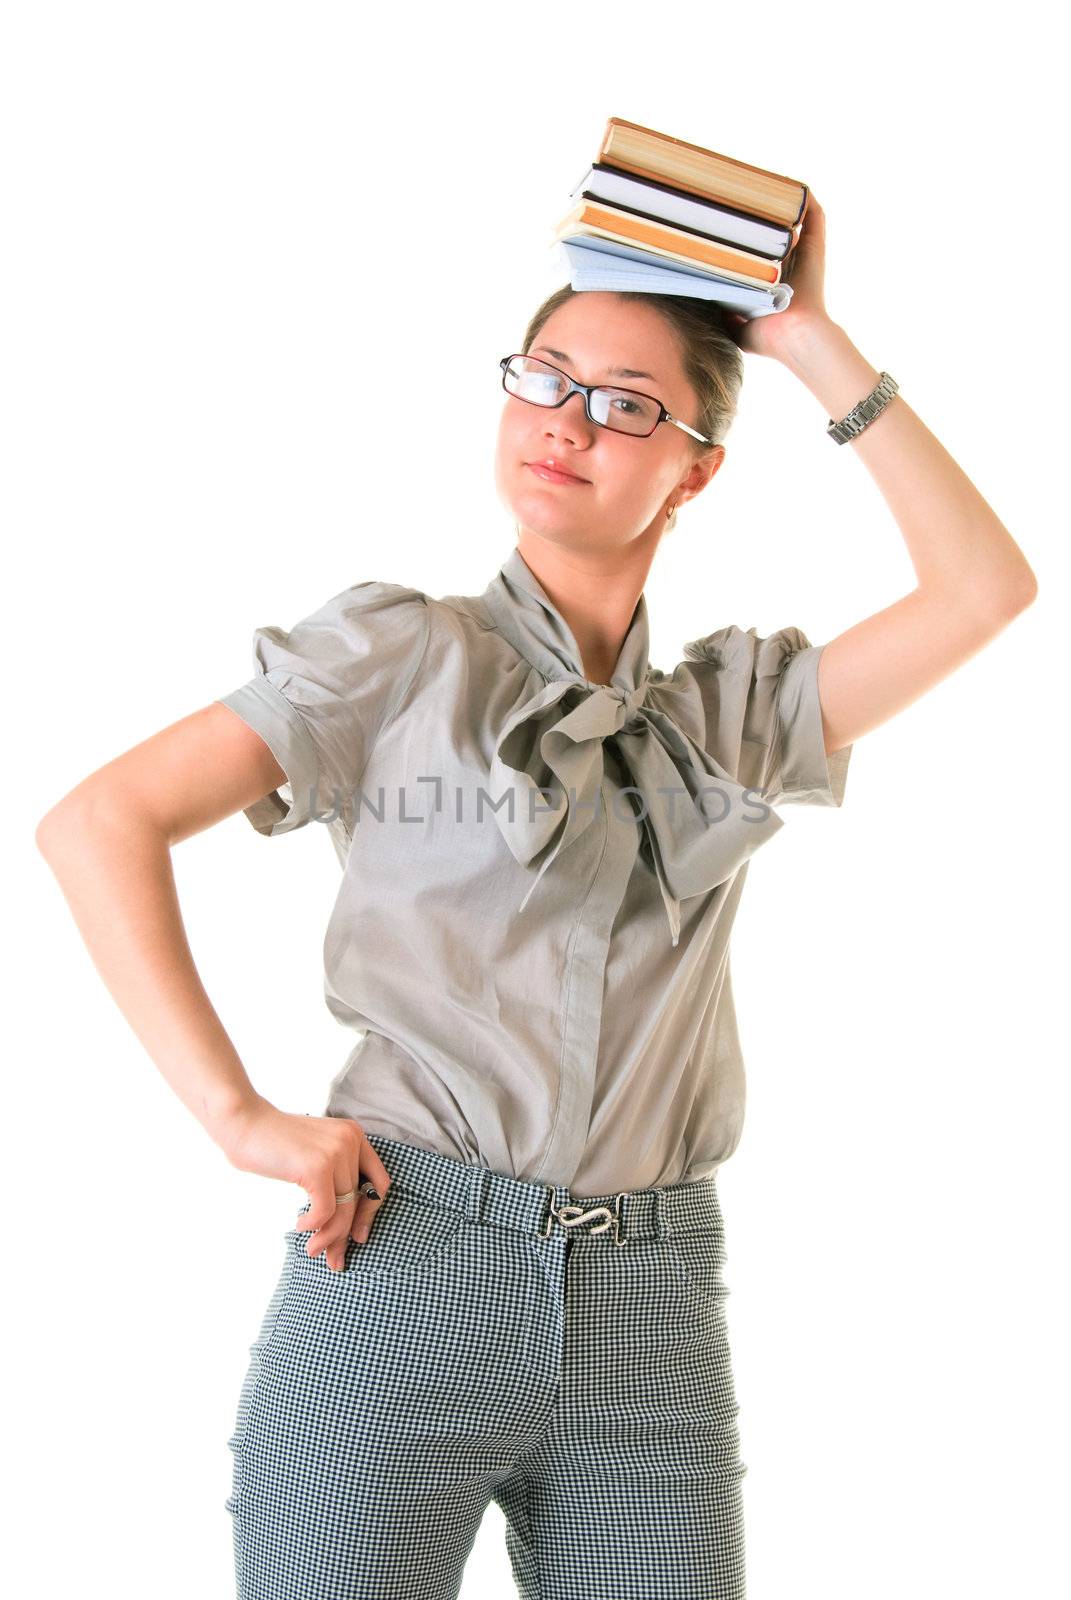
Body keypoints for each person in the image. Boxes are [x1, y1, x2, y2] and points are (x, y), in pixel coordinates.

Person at [37, 195, 1037, 1600]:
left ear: (696, 475)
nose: (565, 419)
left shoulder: (733, 717)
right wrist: (240, 1119)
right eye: (544, 380)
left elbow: (987, 588)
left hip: (653, 1310)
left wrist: (811, 339)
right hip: (401, 1271)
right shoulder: (401, 655)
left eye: (626, 405)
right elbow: (100, 820)